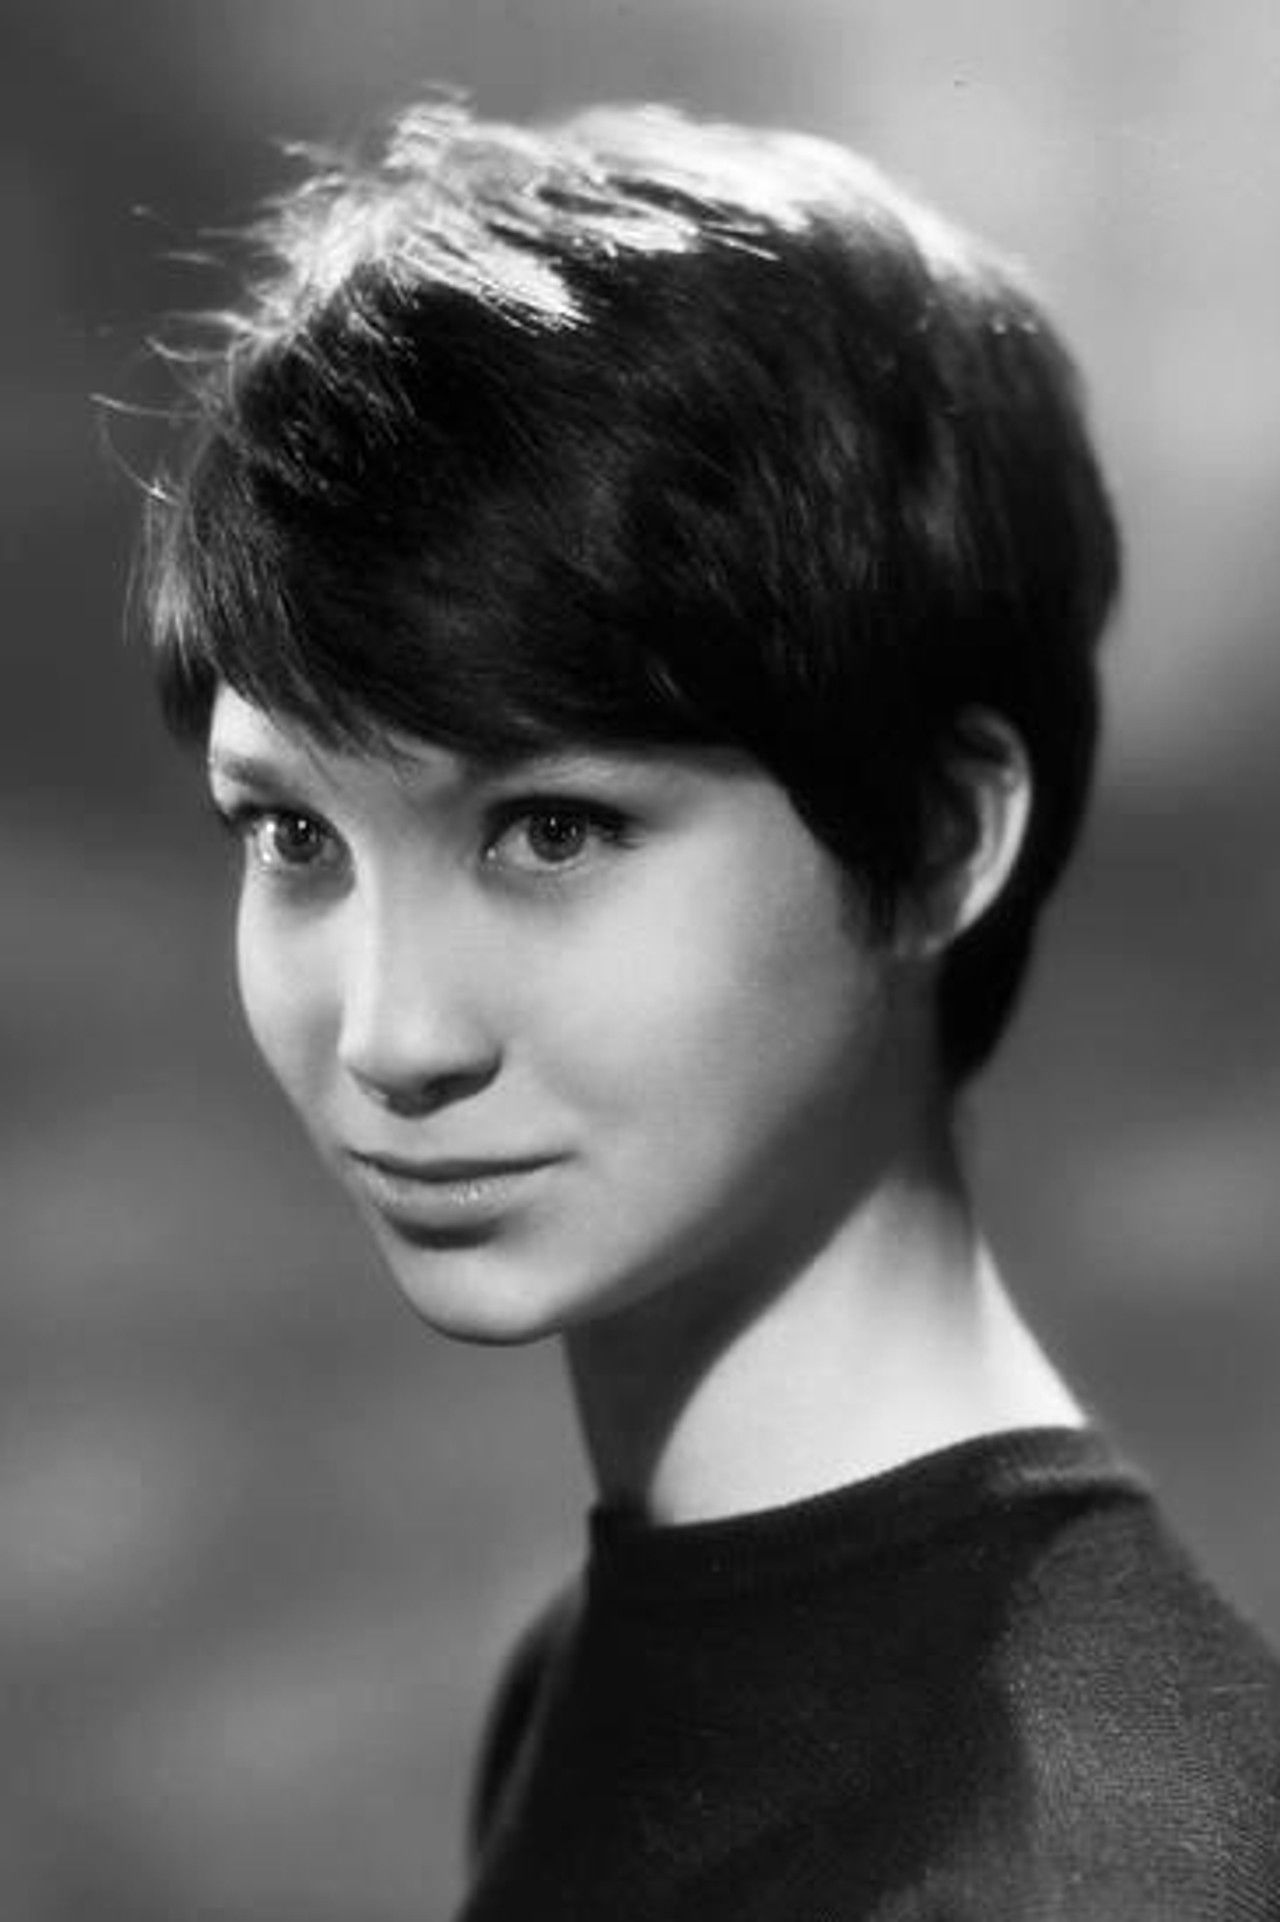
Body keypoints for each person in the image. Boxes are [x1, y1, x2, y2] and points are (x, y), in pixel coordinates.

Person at [140, 98, 1280, 1921]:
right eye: (294, 835)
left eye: (553, 829)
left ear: (941, 833)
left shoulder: (1081, 1856)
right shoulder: (605, 1661)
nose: (388, 1033)